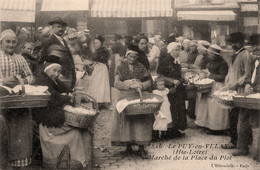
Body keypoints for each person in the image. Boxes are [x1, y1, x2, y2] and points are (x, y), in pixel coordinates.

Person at [32, 55, 91, 168]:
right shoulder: (42, 80)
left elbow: (66, 91)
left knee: (83, 131)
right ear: (47, 69)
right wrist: (67, 97)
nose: (57, 74)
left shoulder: (54, 81)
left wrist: (67, 95)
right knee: (77, 131)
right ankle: (76, 162)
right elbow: (52, 98)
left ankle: (80, 162)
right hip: (47, 121)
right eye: (54, 70)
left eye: (59, 71)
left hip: (54, 115)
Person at [111, 44, 153, 159]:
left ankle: (141, 147)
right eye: (130, 57)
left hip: (139, 95)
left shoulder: (141, 67)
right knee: (126, 120)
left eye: (135, 57)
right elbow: (116, 83)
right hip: (126, 95)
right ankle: (128, 145)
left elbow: (149, 82)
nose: (132, 59)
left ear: (137, 57)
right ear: (126, 56)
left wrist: (141, 85)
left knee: (140, 120)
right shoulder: (121, 68)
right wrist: (128, 85)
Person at [0, 29, 34, 169]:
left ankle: (19, 165)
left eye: (14, 42)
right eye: (8, 41)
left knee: (20, 135)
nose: (11, 44)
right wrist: (2, 80)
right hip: (2, 103)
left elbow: (31, 76)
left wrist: (23, 81)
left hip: (19, 103)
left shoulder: (20, 58)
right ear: (1, 42)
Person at [222, 32, 253, 150]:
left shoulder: (245, 55)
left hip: (240, 90)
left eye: (234, 42)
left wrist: (235, 83)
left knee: (238, 117)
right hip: (232, 89)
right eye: (231, 43)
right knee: (233, 116)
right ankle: (237, 140)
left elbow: (247, 74)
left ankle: (236, 142)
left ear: (241, 42)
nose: (232, 45)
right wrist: (227, 82)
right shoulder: (235, 54)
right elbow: (231, 71)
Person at [231, 34, 260, 156]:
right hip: (250, 95)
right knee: (242, 120)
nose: (255, 48)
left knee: (257, 124)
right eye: (254, 46)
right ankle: (242, 148)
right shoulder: (254, 60)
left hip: (257, 96)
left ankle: (258, 153)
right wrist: (248, 84)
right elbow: (248, 76)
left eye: (258, 45)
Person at [195, 45, 229, 134]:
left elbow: (222, 77)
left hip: (218, 86)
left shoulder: (222, 63)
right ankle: (208, 125)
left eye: (210, 53)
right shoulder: (213, 61)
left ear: (215, 54)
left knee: (215, 108)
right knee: (208, 106)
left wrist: (208, 75)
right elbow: (210, 70)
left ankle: (217, 128)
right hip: (211, 84)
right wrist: (204, 72)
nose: (208, 54)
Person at [157, 42, 187, 138]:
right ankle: (169, 130)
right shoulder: (165, 61)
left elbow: (178, 75)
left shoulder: (176, 60)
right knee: (170, 109)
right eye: (176, 50)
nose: (178, 52)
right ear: (170, 51)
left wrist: (182, 79)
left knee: (179, 108)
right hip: (169, 89)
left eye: (179, 50)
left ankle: (175, 129)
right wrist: (171, 81)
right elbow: (160, 75)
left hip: (178, 89)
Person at [40, 17, 76, 90]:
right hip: (57, 76)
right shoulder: (49, 41)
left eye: (62, 27)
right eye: (58, 26)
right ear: (53, 28)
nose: (61, 29)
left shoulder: (63, 41)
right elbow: (43, 59)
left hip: (68, 75)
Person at [87, 35, 110, 108]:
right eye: (94, 43)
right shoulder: (99, 50)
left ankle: (100, 102)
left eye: (97, 43)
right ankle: (97, 101)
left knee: (100, 84)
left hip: (102, 68)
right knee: (96, 83)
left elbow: (94, 58)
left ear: (101, 43)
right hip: (98, 67)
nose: (95, 45)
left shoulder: (103, 50)